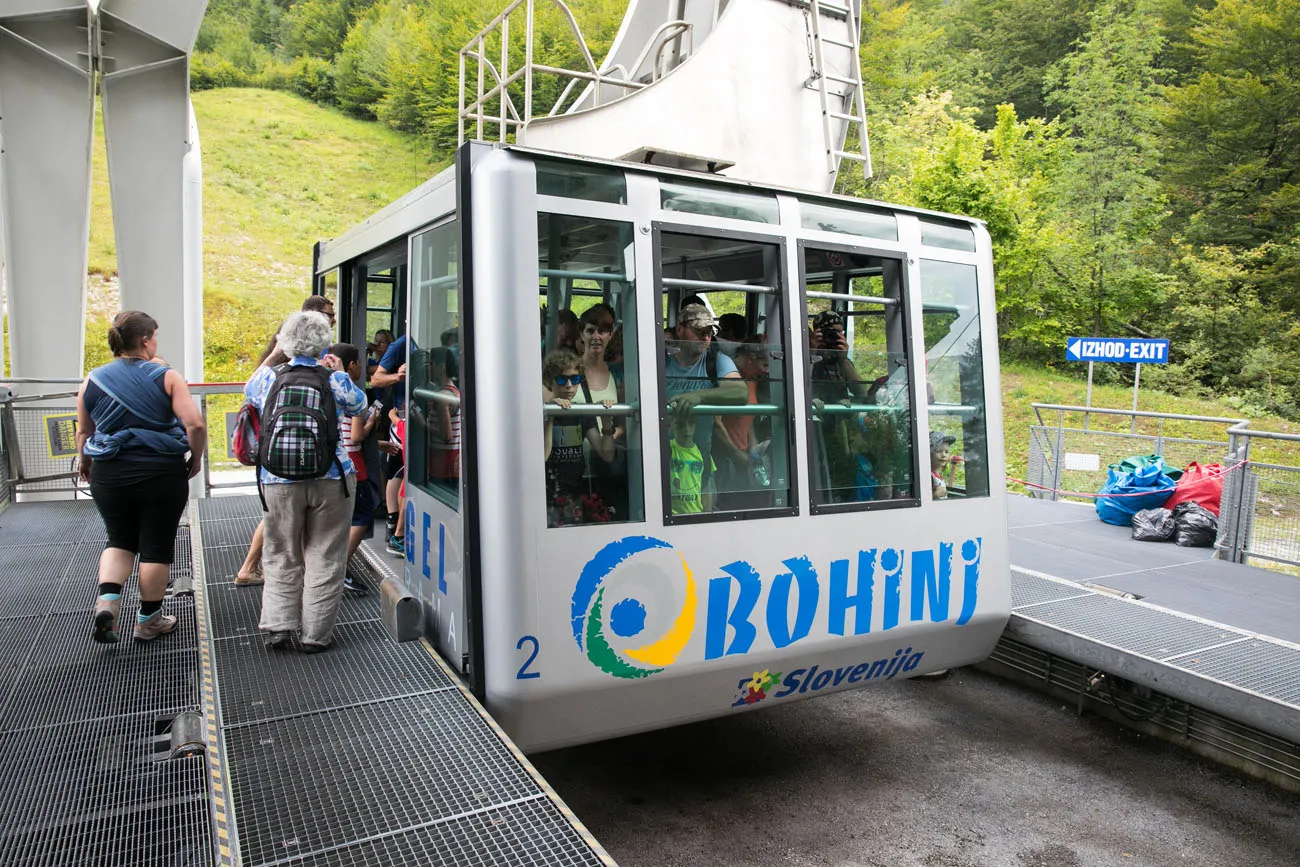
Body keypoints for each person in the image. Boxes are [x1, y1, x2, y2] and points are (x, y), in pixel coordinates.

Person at [77, 311, 207, 643]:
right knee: (155, 547)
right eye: (155, 337)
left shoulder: (92, 380)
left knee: (119, 539)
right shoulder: (166, 376)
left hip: (109, 472)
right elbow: (195, 424)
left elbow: (84, 432)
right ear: (146, 340)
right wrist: (195, 456)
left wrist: (86, 462)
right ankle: (148, 621)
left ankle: (107, 604)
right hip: (159, 472)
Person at [244, 311, 366, 652]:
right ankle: (315, 635)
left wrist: (274, 355)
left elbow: (249, 391)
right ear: (323, 343)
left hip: (278, 478)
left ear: (286, 342)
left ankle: (279, 626)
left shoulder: (270, 378)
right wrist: (340, 373)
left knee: (281, 552)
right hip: (332, 477)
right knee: (325, 556)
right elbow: (360, 406)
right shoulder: (332, 379)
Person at [664, 303, 746, 504]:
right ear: (680, 330)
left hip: (699, 465)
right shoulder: (660, 361)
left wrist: (698, 397)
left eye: (709, 331)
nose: (706, 337)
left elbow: (740, 392)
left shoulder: (716, 360)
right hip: (662, 465)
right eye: (699, 331)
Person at [330, 342, 382, 595]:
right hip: (354, 464)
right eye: (360, 362)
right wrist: (372, 419)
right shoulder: (353, 393)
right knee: (362, 517)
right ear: (351, 365)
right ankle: (339, 570)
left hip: (334, 463)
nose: (362, 367)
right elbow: (357, 436)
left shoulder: (327, 387)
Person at [543, 348, 615, 527]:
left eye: (574, 380)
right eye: (561, 379)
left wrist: (606, 422)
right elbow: (542, 456)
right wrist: (550, 414)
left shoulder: (581, 412)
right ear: (549, 381)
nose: (568, 385)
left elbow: (607, 455)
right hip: (546, 495)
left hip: (576, 494)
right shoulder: (543, 410)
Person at [573, 304, 626, 518]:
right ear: (581, 335)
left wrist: (610, 437)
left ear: (610, 335)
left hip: (605, 468)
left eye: (602, 331)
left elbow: (623, 423)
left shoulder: (619, 375)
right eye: (590, 330)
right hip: (573, 467)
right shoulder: (567, 372)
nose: (596, 336)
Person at [711, 338, 772, 510]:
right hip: (724, 457)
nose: (766, 372)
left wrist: (753, 449)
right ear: (750, 359)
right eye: (764, 365)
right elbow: (716, 422)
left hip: (745, 455)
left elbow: (749, 417)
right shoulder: (726, 379)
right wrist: (736, 454)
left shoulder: (752, 380)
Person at [371, 333, 408, 548]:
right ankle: (393, 523)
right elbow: (376, 379)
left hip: (417, 416)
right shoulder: (400, 345)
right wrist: (398, 377)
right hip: (400, 416)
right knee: (398, 468)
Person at [668, 413, 714, 515]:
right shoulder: (666, 450)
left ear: (696, 424)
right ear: (671, 424)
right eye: (680, 425)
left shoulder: (703, 454)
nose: (687, 430)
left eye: (691, 423)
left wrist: (707, 513)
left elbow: (706, 486)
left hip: (696, 514)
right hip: (671, 516)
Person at [930, 431, 960, 500]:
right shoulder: (929, 477)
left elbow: (947, 489)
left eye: (947, 452)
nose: (943, 455)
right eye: (938, 451)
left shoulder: (937, 475)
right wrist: (935, 495)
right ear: (929, 454)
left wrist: (953, 466)